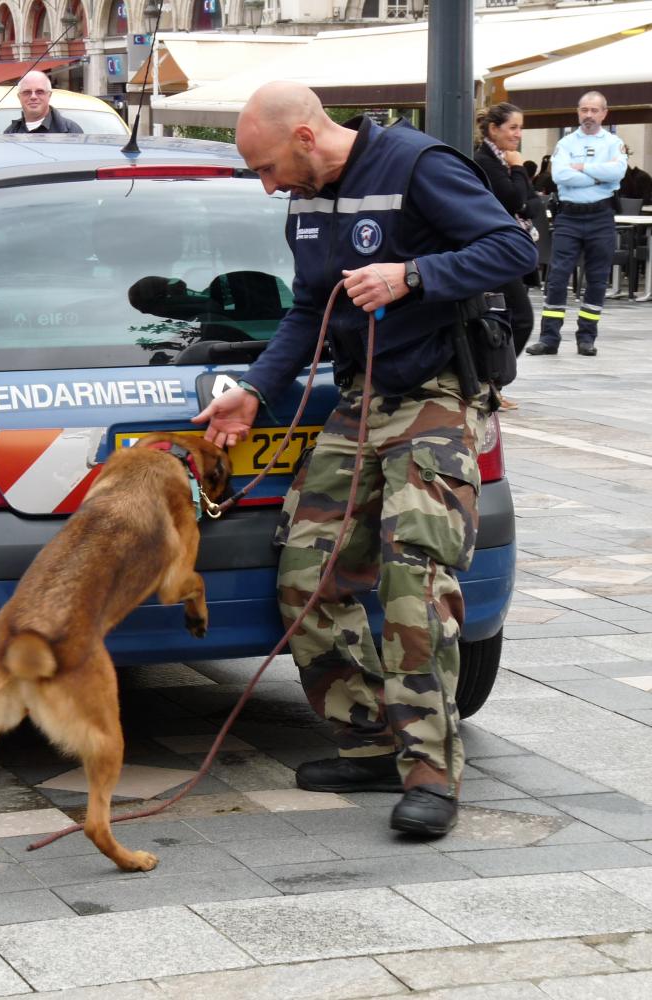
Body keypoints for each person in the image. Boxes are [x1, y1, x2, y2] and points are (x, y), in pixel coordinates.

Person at [193, 81, 536, 839]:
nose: (268, 183)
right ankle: (372, 741)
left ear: (307, 137)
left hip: (440, 392)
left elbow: (513, 248)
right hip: (362, 400)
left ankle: (431, 775)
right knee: (307, 574)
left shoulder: (417, 167)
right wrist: (254, 392)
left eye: (268, 166)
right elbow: (310, 308)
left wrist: (411, 276)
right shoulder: (307, 199)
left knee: (414, 577)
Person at [526, 92, 626, 358]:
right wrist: (597, 176)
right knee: (557, 277)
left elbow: (617, 173)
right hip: (569, 216)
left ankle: (587, 338)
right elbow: (560, 175)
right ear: (577, 112)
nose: (589, 115)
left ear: (605, 113)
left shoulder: (614, 143)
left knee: (596, 277)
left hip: (601, 216)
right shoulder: (566, 142)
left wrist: (581, 168)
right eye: (584, 110)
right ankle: (549, 338)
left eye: (594, 110)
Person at [473, 102, 540, 409]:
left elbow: (527, 204)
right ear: (493, 129)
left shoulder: (499, 160)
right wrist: (518, 167)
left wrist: (516, 173)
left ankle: (490, 384)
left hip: (508, 248)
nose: (518, 134)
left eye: (520, 128)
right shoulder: (486, 161)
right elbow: (513, 198)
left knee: (510, 317)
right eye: (513, 127)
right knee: (519, 317)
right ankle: (489, 383)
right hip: (494, 249)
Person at [3, 71, 83, 134]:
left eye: (40, 92)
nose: (33, 97)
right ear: (19, 97)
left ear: (49, 95)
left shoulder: (71, 131)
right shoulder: (11, 133)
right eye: (27, 92)